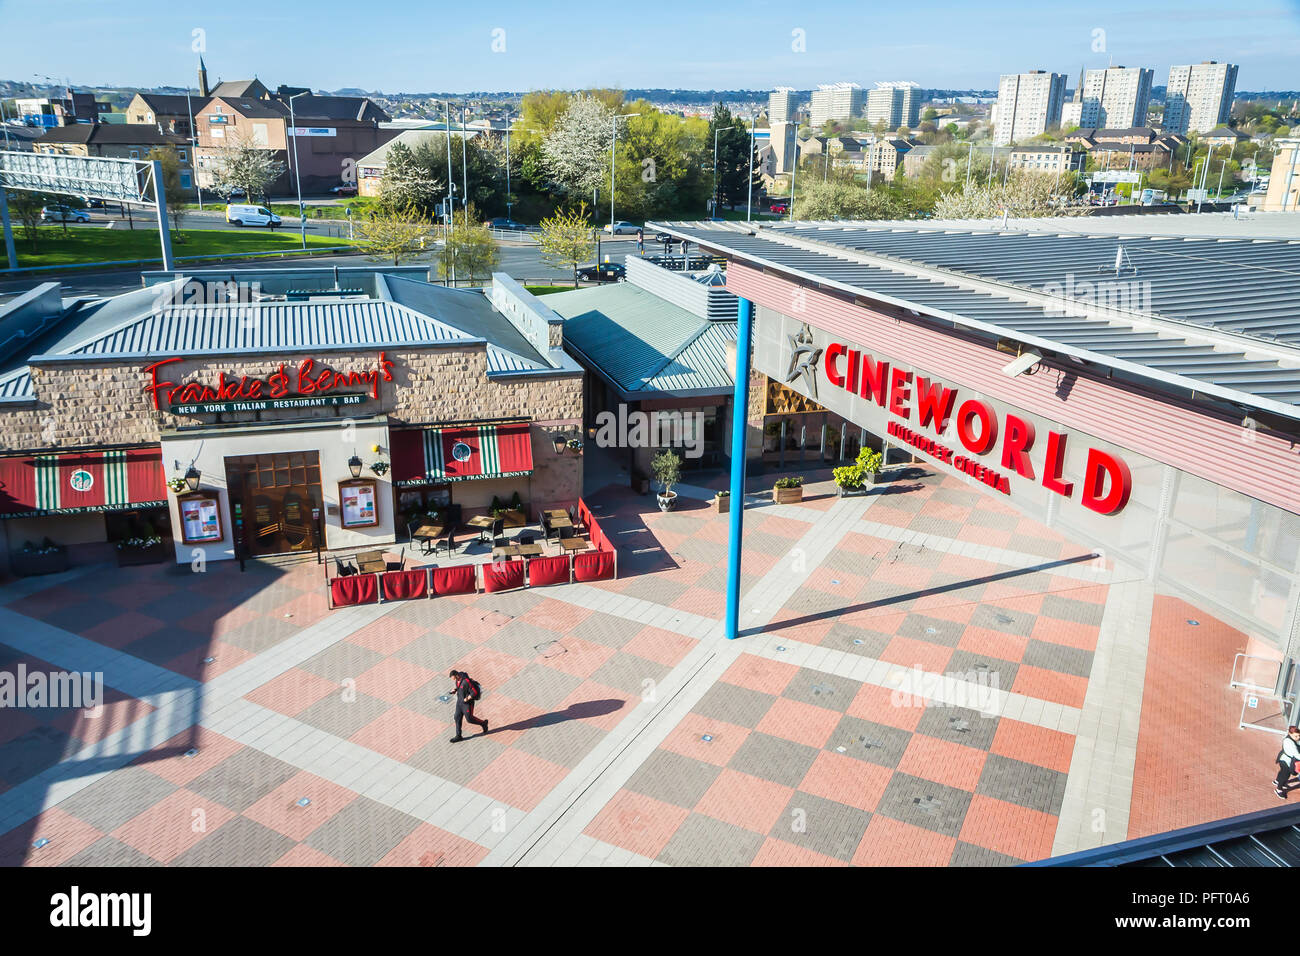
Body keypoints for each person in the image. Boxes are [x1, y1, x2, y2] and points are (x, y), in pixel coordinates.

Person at [448, 669, 488, 743]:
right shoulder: (458, 679)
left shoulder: (466, 681)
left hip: (467, 703)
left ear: (457, 675)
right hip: (459, 702)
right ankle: (458, 735)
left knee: (469, 719)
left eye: (454, 679)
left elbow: (474, 692)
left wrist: (467, 699)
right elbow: (460, 686)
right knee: (457, 717)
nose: (454, 680)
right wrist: (455, 690)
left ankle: (483, 723)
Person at [1275, 725, 1300, 798]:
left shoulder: (1288, 739)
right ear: (1290, 733)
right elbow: (1297, 755)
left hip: (1283, 759)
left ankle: (1277, 781)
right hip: (1286, 761)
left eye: (1299, 736)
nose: (1298, 738)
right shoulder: (1290, 743)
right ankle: (1279, 789)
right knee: (1285, 776)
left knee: (1282, 772)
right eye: (1296, 736)